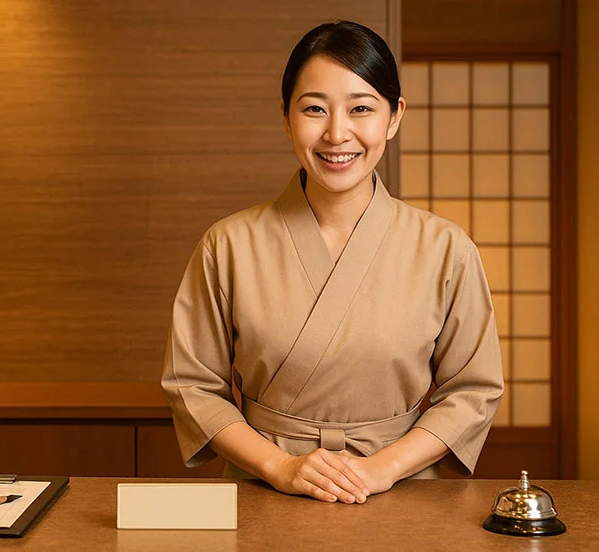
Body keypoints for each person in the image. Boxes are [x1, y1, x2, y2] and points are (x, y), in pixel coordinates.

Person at [161, 20, 504, 504]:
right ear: (286, 116)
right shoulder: (228, 245)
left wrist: (381, 470)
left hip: (400, 492)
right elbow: (192, 386)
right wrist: (279, 467)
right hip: (263, 489)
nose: (337, 133)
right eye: (315, 109)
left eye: (361, 108)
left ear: (394, 116)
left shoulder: (446, 248)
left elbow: (473, 391)